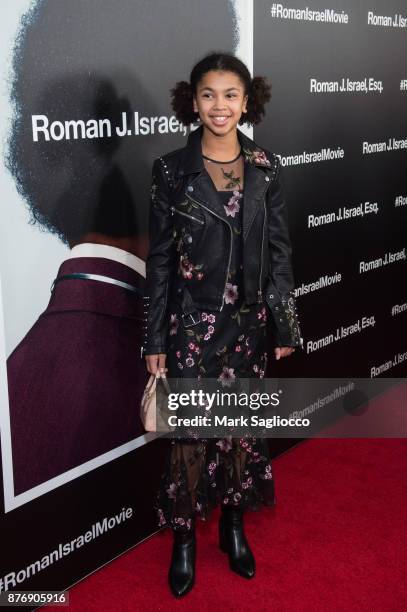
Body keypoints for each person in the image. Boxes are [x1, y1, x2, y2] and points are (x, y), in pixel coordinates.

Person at [143, 52, 303, 597]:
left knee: (239, 435)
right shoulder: (171, 170)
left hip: (249, 327)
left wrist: (283, 326)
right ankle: (184, 540)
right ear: (193, 102)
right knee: (188, 439)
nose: (219, 106)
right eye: (208, 94)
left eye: (230, 95)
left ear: (246, 100)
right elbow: (160, 260)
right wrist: (155, 339)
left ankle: (233, 530)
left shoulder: (265, 166)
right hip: (191, 327)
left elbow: (279, 252)